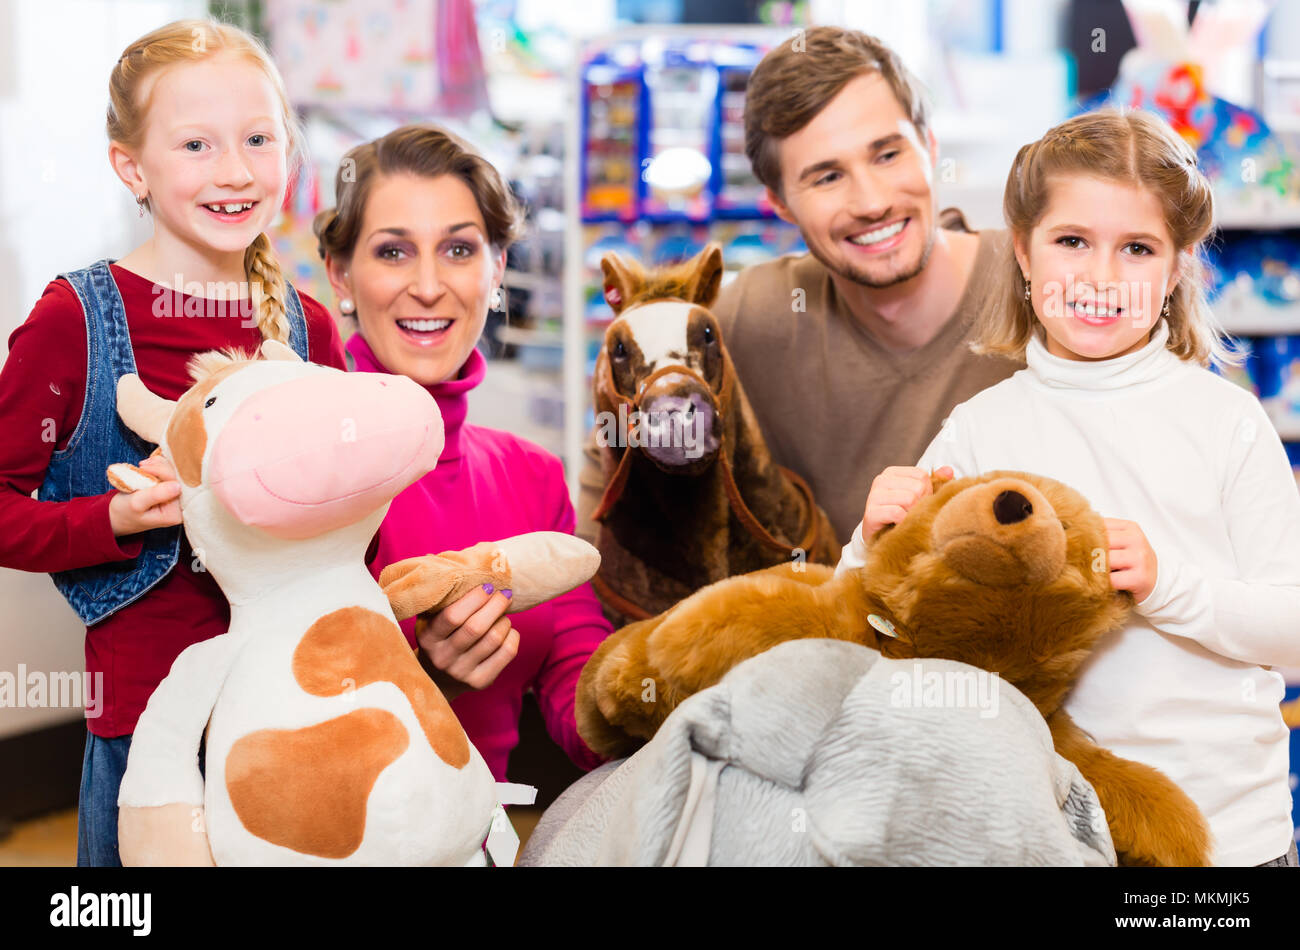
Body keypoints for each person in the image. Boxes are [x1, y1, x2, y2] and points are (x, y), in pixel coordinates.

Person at [838, 108, 1300, 867]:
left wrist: (1168, 583)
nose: (1100, 277)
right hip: (1044, 830)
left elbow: (1290, 626)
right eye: (1072, 241)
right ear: (1022, 251)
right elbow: (883, 622)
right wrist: (872, 539)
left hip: (1225, 840)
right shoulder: (981, 428)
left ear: (1179, 264)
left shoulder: (1227, 421)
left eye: (1138, 249)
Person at [0, 19, 349, 865]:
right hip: (146, 747)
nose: (235, 171)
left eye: (259, 139)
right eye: (196, 144)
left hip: (293, 719)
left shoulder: (307, 331)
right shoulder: (74, 322)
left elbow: (356, 527)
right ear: (133, 167)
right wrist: (111, 522)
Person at [578, 26, 1021, 544]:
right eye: (827, 177)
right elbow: (612, 466)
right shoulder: (751, 317)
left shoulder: (1040, 287)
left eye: (887, 154)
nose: (871, 201)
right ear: (780, 203)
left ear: (929, 145)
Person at [314, 123, 609, 782]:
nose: (427, 285)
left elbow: (584, 692)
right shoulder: (297, 471)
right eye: (393, 252)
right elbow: (263, 730)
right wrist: (425, 684)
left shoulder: (531, 478)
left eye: (458, 249)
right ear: (340, 275)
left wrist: (680, 692)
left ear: (496, 270)